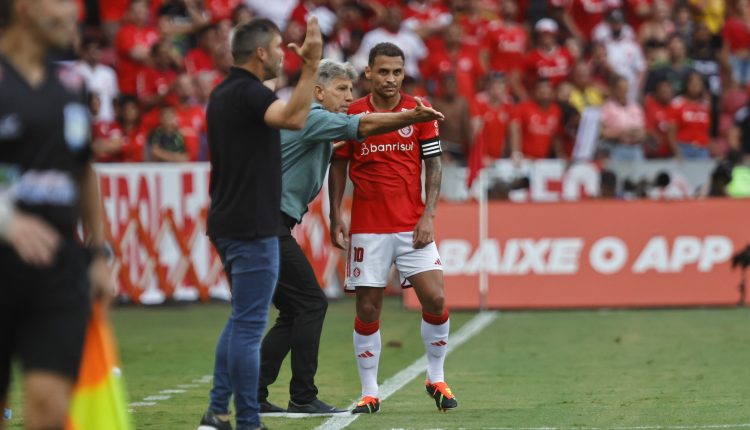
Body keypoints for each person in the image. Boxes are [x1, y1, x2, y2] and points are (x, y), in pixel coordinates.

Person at [258, 59, 445, 415]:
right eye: (341, 89)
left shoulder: (311, 119)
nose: (348, 96)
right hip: (266, 224)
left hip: (269, 223)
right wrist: (411, 117)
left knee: (294, 310)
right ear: (318, 91)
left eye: (350, 89)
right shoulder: (313, 117)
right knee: (310, 304)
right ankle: (300, 396)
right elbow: (363, 125)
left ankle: (255, 392)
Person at [199, 16, 322, 430]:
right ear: (261, 53)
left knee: (241, 319)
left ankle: (217, 413)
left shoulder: (223, 93)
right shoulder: (249, 94)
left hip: (228, 221)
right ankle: (248, 421)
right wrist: (311, 66)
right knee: (250, 326)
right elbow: (293, 118)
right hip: (254, 226)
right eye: (279, 48)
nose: (285, 56)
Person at [0, 0, 114, 429]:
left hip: (57, 268)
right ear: (25, 8)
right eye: (62, 2)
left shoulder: (71, 82)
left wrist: (98, 251)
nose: (74, 11)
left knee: (49, 408)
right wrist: (7, 220)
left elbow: (83, 170)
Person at [328, 42, 456, 415]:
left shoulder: (419, 111)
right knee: (368, 309)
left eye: (397, 72)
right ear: (368, 72)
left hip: (411, 225)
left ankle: (436, 376)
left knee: (435, 298)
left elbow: (434, 166)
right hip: (368, 228)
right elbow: (337, 165)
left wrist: (428, 215)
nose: (390, 79)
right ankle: (370, 391)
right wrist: (337, 214)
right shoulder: (353, 114)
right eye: (383, 71)